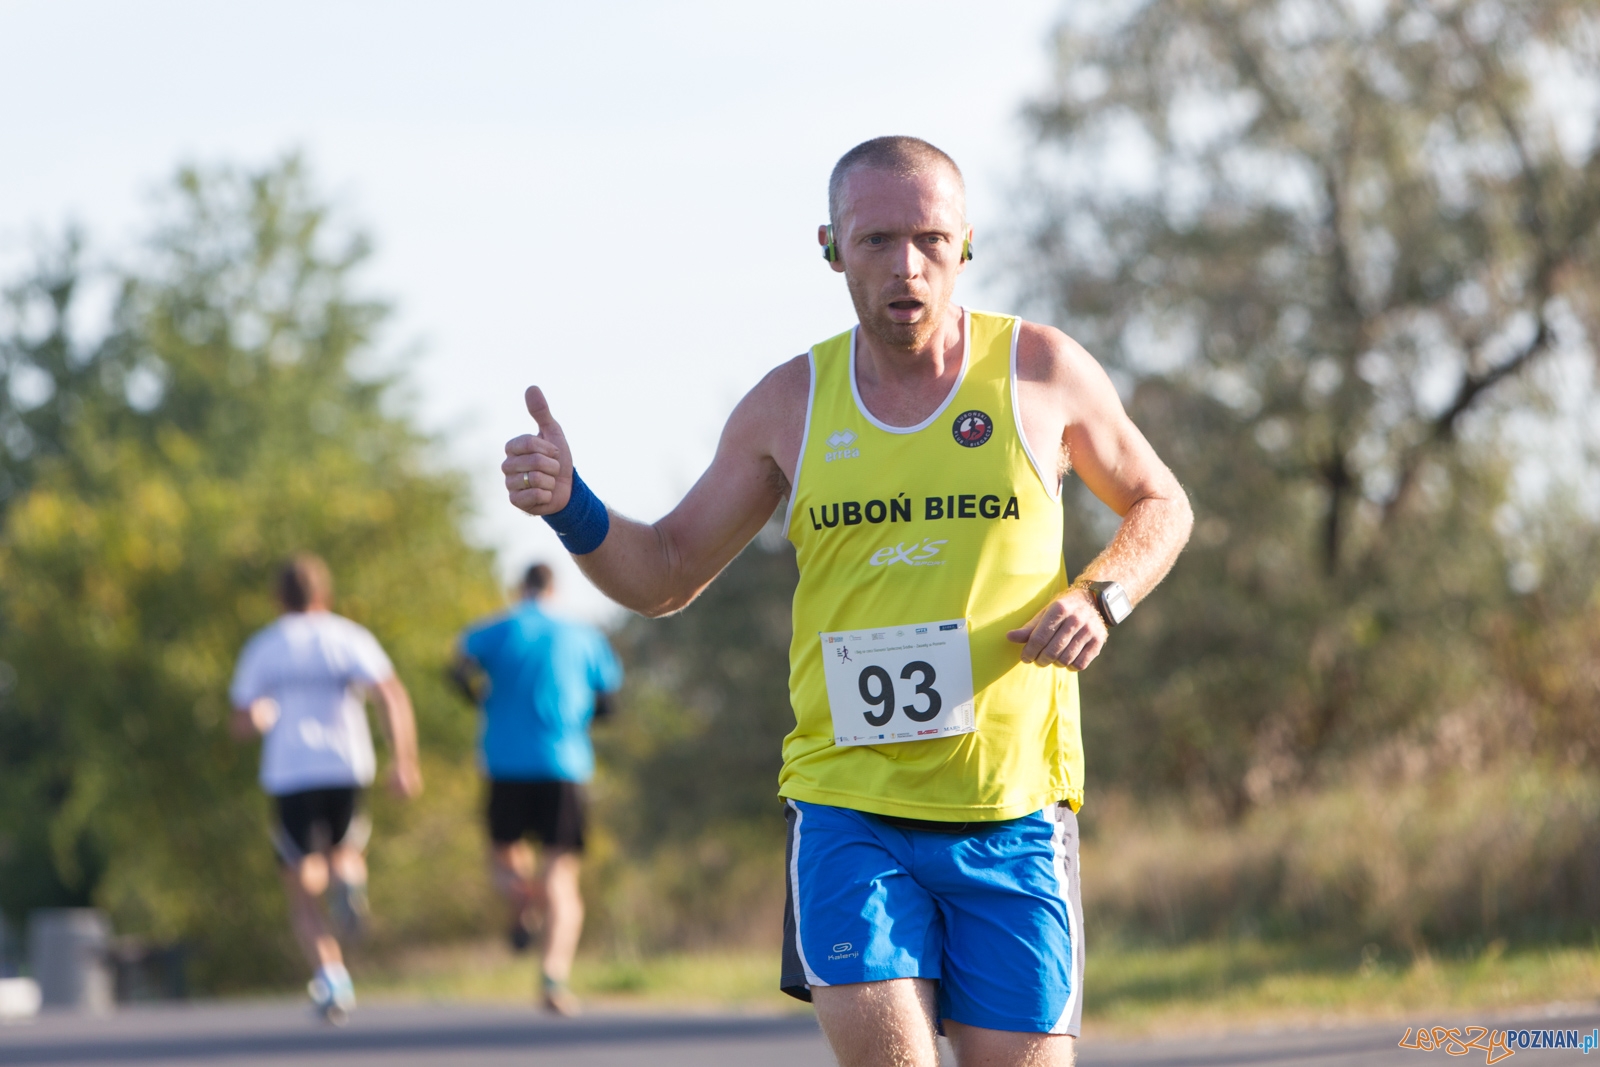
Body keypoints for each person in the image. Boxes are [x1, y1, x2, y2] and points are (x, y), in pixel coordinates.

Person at [501, 136, 1193, 1066]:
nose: (906, 266)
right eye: (875, 240)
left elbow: (1162, 501)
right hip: (848, 806)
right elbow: (666, 569)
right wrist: (572, 506)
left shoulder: (1041, 370)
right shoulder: (790, 404)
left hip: (1012, 808)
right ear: (831, 247)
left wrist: (1100, 596)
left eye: (930, 239)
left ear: (966, 244)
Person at [230, 554, 423, 1025]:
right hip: (345, 766)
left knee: (301, 884)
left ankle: (332, 976)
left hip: (290, 771)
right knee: (345, 854)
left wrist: (257, 719)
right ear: (324, 594)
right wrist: (404, 761)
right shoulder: (347, 637)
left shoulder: (265, 647)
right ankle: (348, 879)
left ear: (279, 598)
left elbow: (241, 720)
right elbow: (390, 694)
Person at [452, 562, 622, 1017]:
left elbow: (457, 666)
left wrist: (479, 698)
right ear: (554, 588)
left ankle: (522, 894)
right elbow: (608, 702)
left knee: (502, 860)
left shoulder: (496, 629)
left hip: (504, 762)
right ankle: (553, 977)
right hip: (563, 763)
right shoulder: (584, 635)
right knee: (562, 876)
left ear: (520, 588)